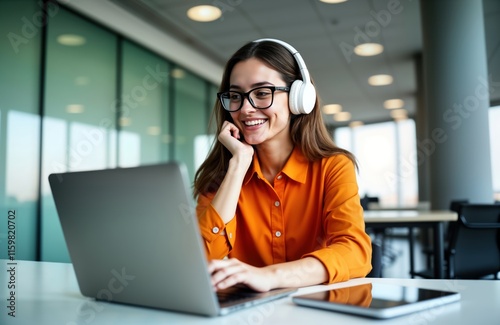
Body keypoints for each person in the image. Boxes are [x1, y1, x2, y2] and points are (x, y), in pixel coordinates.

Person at [194, 38, 372, 293]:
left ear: (299, 97)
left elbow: (354, 252)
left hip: (316, 309)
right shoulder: (221, 175)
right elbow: (199, 259)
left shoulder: (332, 167)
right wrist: (238, 165)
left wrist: (270, 276)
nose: (245, 109)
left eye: (262, 93)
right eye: (235, 96)